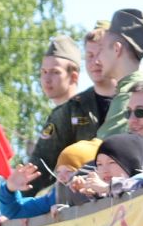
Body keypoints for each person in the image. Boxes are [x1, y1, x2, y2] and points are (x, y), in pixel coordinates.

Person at [22, 26, 110, 194]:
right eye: (43, 72)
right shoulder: (68, 112)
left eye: (55, 72)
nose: (47, 79)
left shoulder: (128, 97)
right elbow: (42, 164)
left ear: (74, 76)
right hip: (81, 197)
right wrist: (15, 199)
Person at [94, 8, 143, 137]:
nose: (97, 59)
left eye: (101, 49)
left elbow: (103, 146)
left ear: (116, 49)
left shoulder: (130, 93)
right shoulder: (135, 88)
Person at [0, 139, 99, 219]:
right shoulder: (56, 197)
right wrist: (9, 189)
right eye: (58, 172)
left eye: (69, 171)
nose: (60, 178)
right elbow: (15, 211)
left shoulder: (106, 189)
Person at [70, 134, 143, 199]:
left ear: (129, 163)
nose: (104, 170)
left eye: (111, 162)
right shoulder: (109, 192)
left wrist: (106, 188)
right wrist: (90, 192)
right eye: (99, 164)